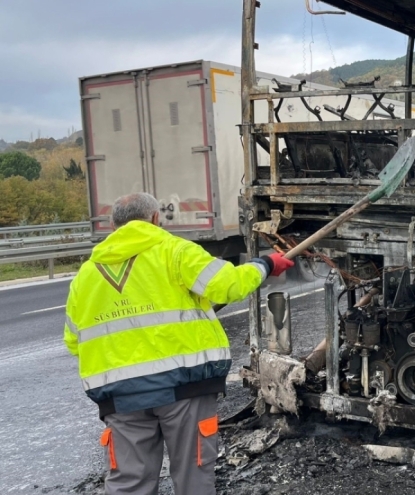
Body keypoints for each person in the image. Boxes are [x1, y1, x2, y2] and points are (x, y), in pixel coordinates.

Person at [63, 193, 295, 494]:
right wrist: (265, 264)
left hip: (121, 398)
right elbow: (227, 285)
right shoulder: (174, 251)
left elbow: (73, 341)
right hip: (184, 389)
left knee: (129, 484)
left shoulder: (86, 276)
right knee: (192, 478)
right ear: (156, 218)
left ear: (112, 226)